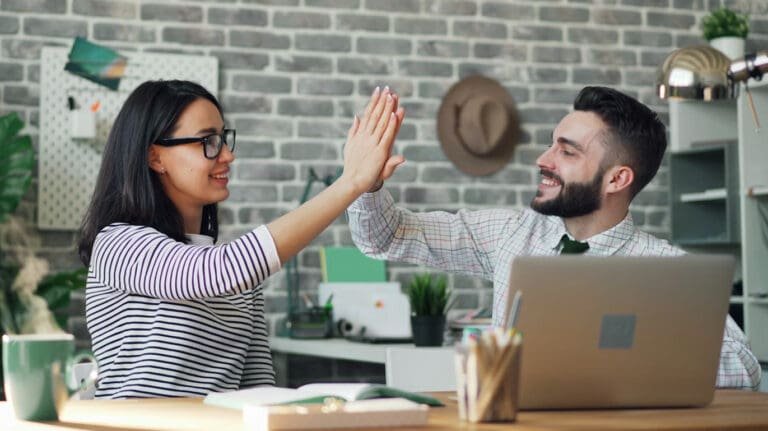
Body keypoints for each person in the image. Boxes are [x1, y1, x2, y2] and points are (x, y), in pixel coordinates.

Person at [347, 86, 762, 390]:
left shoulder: (667, 268)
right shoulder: (510, 235)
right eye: (551, 145)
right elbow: (386, 236)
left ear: (618, 178)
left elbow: (743, 368)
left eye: (567, 151)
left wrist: (624, 358)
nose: (543, 161)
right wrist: (365, 185)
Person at [77, 80, 404, 398]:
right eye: (207, 141)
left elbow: (257, 388)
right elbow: (212, 273)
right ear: (155, 157)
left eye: (223, 139)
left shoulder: (239, 276)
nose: (227, 156)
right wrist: (349, 184)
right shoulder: (117, 244)